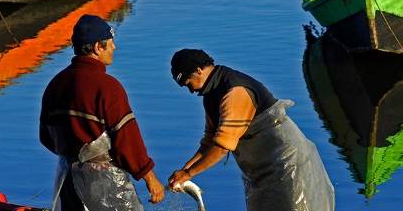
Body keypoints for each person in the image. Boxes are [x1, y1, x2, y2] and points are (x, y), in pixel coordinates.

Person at [167, 49, 335, 211]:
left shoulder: (234, 91)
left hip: (286, 165)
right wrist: (184, 171)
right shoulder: (211, 95)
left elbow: (221, 147)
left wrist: (189, 173)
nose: (190, 91)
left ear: (198, 70)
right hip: (259, 170)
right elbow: (209, 142)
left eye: (189, 83)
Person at [39, 14, 164, 211]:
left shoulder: (55, 84)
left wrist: (75, 154)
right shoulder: (108, 87)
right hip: (103, 182)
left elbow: (46, 137)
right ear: (98, 47)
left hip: (67, 178)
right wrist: (149, 177)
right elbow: (127, 140)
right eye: (110, 43)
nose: (114, 48)